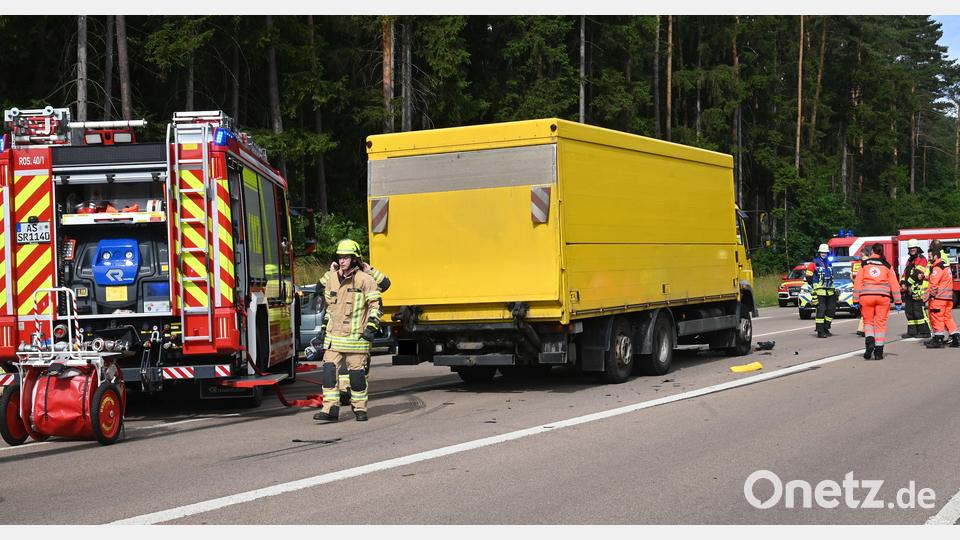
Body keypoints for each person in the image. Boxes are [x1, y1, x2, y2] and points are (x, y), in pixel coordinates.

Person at [313, 239, 383, 422]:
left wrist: (371, 327)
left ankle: (360, 408)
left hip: (356, 339)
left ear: (354, 259)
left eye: (346, 257)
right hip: (334, 338)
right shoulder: (332, 279)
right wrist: (323, 329)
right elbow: (330, 308)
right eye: (340, 257)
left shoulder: (365, 280)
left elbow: (376, 306)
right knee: (329, 373)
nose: (342, 260)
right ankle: (330, 409)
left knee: (357, 377)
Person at [853, 243, 902, 359]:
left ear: (872, 252)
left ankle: (870, 342)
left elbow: (858, 282)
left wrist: (855, 300)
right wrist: (898, 301)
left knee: (868, 322)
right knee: (881, 324)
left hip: (866, 297)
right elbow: (894, 284)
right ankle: (879, 352)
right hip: (882, 298)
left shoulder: (864, 264)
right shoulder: (887, 265)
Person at [924, 240, 960, 348]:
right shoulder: (945, 265)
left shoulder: (937, 267)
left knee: (936, 318)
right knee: (947, 318)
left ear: (935, 256)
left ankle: (938, 339)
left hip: (939, 298)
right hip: (948, 298)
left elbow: (933, 284)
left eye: (930, 256)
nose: (929, 258)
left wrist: (926, 297)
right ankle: (956, 337)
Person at [900, 239, 931, 339]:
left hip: (918, 290)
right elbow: (905, 273)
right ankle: (912, 331)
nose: (912, 250)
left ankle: (925, 332)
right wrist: (903, 282)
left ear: (917, 248)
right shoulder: (910, 260)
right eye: (910, 248)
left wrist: (907, 283)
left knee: (919, 311)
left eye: (913, 248)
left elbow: (918, 274)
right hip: (909, 290)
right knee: (909, 311)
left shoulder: (921, 259)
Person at [805, 243, 837, 338]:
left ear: (827, 253)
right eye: (822, 252)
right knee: (821, 310)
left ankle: (826, 327)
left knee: (831, 310)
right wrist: (813, 285)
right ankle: (820, 331)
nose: (824, 254)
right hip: (819, 291)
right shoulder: (814, 263)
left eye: (825, 252)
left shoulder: (829, 262)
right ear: (819, 253)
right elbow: (808, 276)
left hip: (830, 290)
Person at [853, 246, 870, 337]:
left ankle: (861, 328)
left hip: (860, 290)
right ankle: (864, 329)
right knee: (868, 311)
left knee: (864, 311)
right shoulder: (871, 263)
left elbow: (853, 277)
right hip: (867, 290)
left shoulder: (857, 264)